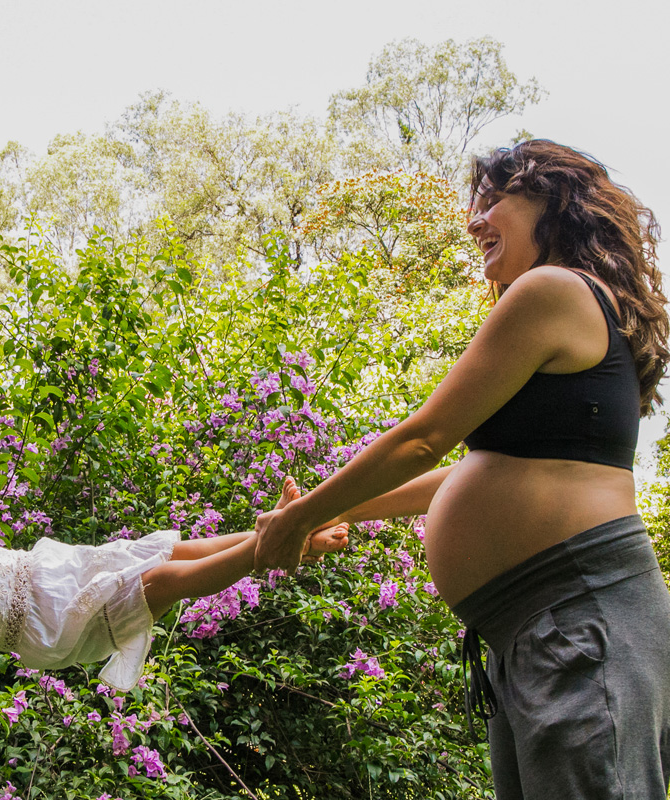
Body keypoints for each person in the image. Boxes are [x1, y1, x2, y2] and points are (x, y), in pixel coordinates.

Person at [254, 140, 670, 799]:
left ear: (554, 203)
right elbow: (473, 473)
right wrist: (338, 510)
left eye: (494, 200)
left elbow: (425, 439)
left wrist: (298, 517)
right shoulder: (568, 312)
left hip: (579, 616)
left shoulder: (552, 289)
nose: (475, 220)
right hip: (536, 629)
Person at [0, 422, 347, 691]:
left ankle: (288, 535)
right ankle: (275, 545)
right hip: (66, 628)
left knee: (179, 548)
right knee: (168, 577)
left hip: (74, 570)